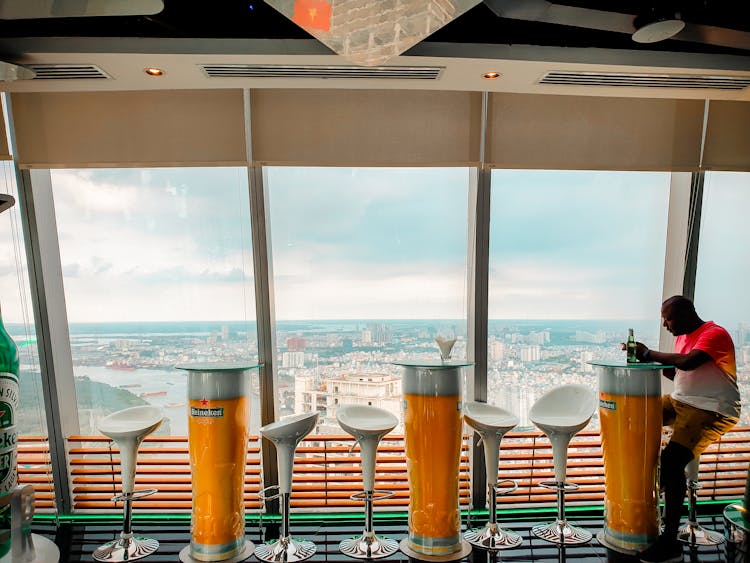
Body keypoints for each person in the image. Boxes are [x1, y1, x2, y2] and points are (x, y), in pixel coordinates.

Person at [629, 296, 740, 563]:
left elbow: (689, 362)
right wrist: (648, 361)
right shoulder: (684, 336)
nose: (666, 325)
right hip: (681, 402)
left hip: (711, 409)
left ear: (687, 314)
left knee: (671, 462)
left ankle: (670, 543)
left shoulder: (714, 334)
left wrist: (648, 354)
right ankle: (655, 487)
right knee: (634, 418)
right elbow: (681, 374)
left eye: (669, 318)